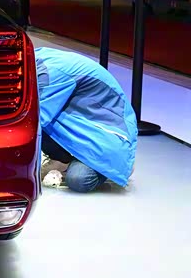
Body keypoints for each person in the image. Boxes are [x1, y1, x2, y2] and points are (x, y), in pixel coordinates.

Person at [36, 47, 137, 193]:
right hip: (77, 125)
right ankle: (62, 158)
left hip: (106, 136)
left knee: (78, 179)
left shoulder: (49, 73)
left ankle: (118, 164)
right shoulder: (34, 60)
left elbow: (35, 121)